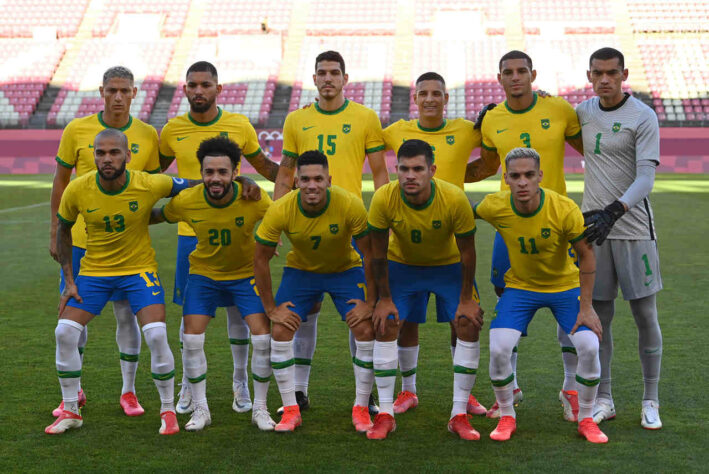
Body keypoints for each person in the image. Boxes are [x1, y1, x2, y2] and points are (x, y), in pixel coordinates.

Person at [45, 129, 197, 435]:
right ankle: (71, 410)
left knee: (155, 335)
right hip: (95, 272)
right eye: (100, 153)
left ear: (127, 156)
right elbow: (64, 228)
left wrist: (238, 182)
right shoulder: (78, 189)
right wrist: (69, 279)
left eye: (114, 152)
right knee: (64, 332)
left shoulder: (148, 182)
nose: (107, 159)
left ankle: (168, 410)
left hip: (138, 271)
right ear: (93, 156)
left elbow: (194, 185)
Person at [467, 50, 585, 419]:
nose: (515, 77)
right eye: (508, 72)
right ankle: (512, 385)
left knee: (568, 302)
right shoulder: (492, 120)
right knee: (507, 298)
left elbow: (592, 152)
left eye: (521, 71)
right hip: (511, 224)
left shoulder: (560, 110)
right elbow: (487, 165)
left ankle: (570, 389)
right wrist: (443, 181)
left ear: (533, 74)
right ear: (499, 77)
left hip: (557, 224)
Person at [159, 61, 280, 415]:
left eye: (206, 84)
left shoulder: (239, 125)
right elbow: (153, 175)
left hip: (237, 233)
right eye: (193, 85)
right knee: (190, 316)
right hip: (190, 235)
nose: (199, 90)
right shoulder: (171, 130)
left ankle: (240, 382)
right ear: (184, 89)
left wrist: (296, 182)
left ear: (218, 89)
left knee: (239, 315)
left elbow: (263, 166)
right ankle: (187, 385)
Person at [272, 50, 388, 413]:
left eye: (334, 73)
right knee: (305, 310)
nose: (327, 78)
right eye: (321, 72)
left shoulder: (365, 117)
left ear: (345, 78)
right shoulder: (296, 119)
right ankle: (300, 391)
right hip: (305, 221)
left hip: (352, 224)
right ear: (314, 79)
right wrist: (277, 225)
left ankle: (365, 394)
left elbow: (381, 173)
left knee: (361, 313)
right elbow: (284, 174)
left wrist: (383, 218)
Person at [48, 66, 161, 418]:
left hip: (127, 248)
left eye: (124, 90)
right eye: (111, 90)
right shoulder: (77, 130)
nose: (117, 96)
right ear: (101, 91)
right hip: (82, 241)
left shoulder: (146, 134)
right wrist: (55, 230)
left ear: (134, 93)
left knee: (126, 317)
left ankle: (128, 391)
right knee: (73, 317)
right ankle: (74, 390)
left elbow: (151, 187)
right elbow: (61, 181)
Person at [474, 147, 607, 443]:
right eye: (516, 176)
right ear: (505, 178)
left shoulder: (563, 208)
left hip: (565, 287)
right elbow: (459, 215)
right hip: (520, 288)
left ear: (540, 177)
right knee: (498, 349)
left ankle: (587, 419)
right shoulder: (494, 205)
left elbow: (587, 255)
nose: (522, 182)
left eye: (529, 175)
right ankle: (507, 414)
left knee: (589, 346)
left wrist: (587, 307)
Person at [150, 136, 276, 432]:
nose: (215, 178)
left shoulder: (253, 198)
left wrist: (271, 240)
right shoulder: (187, 201)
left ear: (235, 173)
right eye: (209, 172)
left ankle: (259, 408)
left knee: (262, 339)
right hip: (204, 276)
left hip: (245, 276)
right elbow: (159, 215)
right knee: (191, 340)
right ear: (201, 174)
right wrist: (128, 218)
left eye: (222, 172)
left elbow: (279, 219)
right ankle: (201, 409)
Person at [254, 150, 377, 433]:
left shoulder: (350, 204)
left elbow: (370, 254)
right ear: (296, 181)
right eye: (306, 179)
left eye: (318, 179)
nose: (312, 185)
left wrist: (370, 302)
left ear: (329, 180)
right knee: (281, 330)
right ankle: (292, 410)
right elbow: (260, 258)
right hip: (302, 272)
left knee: (365, 328)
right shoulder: (281, 208)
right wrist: (271, 308)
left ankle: (361, 407)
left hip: (345, 270)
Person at [367, 139, 483, 440]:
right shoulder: (383, 198)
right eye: (403, 169)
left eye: (418, 169)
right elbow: (377, 253)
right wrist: (384, 298)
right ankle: (386, 414)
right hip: (403, 266)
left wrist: (467, 299)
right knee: (386, 322)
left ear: (431, 170)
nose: (410, 175)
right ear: (396, 170)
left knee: (467, 323)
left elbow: (468, 252)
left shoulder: (453, 198)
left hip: (448, 266)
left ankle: (459, 413)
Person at [577, 47, 663, 430]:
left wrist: (615, 210)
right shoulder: (582, 112)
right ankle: (606, 399)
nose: (605, 79)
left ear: (624, 74)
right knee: (600, 318)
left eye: (612, 73)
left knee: (645, 314)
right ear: (590, 75)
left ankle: (650, 399)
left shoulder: (643, 116)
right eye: (598, 73)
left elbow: (645, 178)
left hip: (632, 230)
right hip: (595, 233)